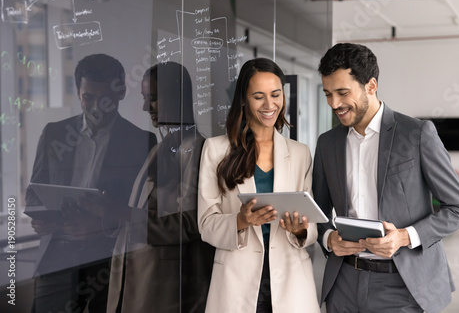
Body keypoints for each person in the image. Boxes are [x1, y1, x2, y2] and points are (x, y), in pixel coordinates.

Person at [313, 43, 459, 313]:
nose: (334, 104)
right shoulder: (327, 143)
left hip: (401, 284)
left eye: (342, 93)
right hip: (343, 283)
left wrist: (403, 236)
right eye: (328, 94)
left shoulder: (417, 134)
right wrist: (328, 237)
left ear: (371, 86)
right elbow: (317, 212)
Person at [25, 54, 157, 312]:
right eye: (88, 97)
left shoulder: (142, 142)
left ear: (119, 93)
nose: (96, 106)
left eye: (104, 98)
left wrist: (103, 226)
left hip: (110, 260)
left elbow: (147, 214)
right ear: (78, 92)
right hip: (58, 256)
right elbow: (33, 192)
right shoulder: (54, 133)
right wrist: (42, 216)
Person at [197, 57, 321, 313]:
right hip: (236, 283)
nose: (269, 104)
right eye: (258, 96)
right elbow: (206, 225)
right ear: (243, 99)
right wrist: (240, 221)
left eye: (276, 95)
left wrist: (300, 230)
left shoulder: (300, 153)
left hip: (291, 283)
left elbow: (312, 228)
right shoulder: (216, 149)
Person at [106, 62, 214, 312]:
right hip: (141, 280)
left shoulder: (197, 149)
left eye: (152, 99)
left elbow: (190, 223)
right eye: (145, 98)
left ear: (177, 97)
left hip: (165, 287)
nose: (145, 107)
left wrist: (124, 213)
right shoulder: (160, 148)